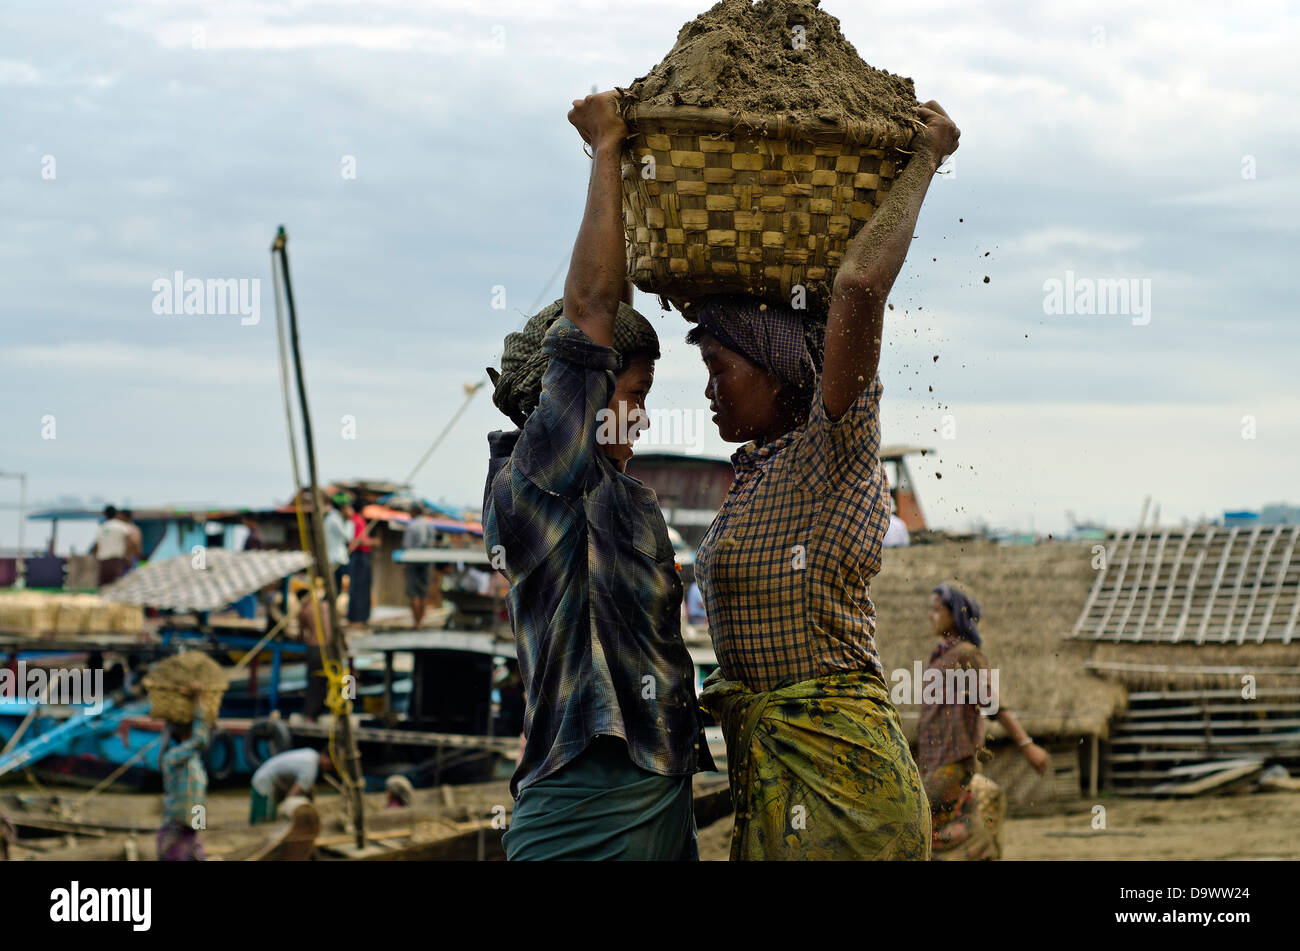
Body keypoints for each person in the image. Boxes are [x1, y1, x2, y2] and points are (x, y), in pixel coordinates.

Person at [684, 101, 962, 861]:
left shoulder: (828, 450)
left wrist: (926, 157)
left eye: (718, 368)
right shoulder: (751, 475)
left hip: (845, 784)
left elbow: (860, 285)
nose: (707, 390)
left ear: (774, 372)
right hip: (776, 784)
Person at [482, 90, 712, 861]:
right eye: (633, 395)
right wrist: (607, 147)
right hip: (584, 803)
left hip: (663, 790)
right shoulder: (541, 480)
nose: (642, 418)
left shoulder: (629, 501)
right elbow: (591, 308)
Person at [919, 584, 1048, 860]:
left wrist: (1027, 745)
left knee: (921, 825)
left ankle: (981, 847)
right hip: (934, 758)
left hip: (954, 759)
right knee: (928, 828)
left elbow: (992, 703)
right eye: (929, 610)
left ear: (955, 614)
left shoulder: (967, 654)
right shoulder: (938, 655)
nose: (930, 616)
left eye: (936, 609)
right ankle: (981, 846)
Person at [157, 683, 210, 861]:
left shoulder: (194, 762)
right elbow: (200, 739)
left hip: (190, 832)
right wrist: (199, 699)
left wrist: (198, 826)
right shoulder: (173, 757)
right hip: (175, 831)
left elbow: (198, 797)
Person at [249, 747, 332, 824]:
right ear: (324, 757)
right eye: (330, 765)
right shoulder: (311, 767)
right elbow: (295, 791)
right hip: (264, 782)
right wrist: (286, 805)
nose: (330, 768)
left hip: (263, 776)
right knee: (264, 819)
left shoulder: (310, 753)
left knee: (260, 816)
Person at [297, 582, 331, 722]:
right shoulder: (327, 606)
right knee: (347, 677)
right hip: (331, 648)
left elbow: (300, 635)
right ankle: (343, 708)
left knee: (315, 681)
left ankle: (310, 715)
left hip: (316, 648)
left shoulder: (304, 611)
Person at [343, 499, 373, 628]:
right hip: (359, 556)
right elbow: (357, 541)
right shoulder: (356, 520)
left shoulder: (356, 520)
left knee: (362, 588)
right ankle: (356, 619)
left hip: (361, 556)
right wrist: (374, 542)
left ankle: (361, 618)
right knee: (358, 588)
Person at [402, 508, 435, 627]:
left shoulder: (412, 525)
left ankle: (416, 622)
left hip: (413, 560)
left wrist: (404, 565)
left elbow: (407, 546)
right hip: (426, 561)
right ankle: (421, 622)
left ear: (415, 512)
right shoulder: (429, 525)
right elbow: (432, 543)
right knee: (423, 593)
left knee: (414, 593)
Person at [90, 506, 132, 587]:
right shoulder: (122, 526)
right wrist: (128, 556)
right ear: (116, 513)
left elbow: (96, 545)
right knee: (116, 586)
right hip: (117, 561)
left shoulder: (102, 528)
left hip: (103, 561)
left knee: (103, 587)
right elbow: (129, 541)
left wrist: (95, 558)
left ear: (105, 514)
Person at [324, 493, 350, 596]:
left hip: (337, 558)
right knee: (335, 591)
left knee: (337, 590)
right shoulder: (334, 519)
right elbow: (348, 536)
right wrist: (349, 520)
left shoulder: (335, 518)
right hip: (336, 559)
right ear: (342, 507)